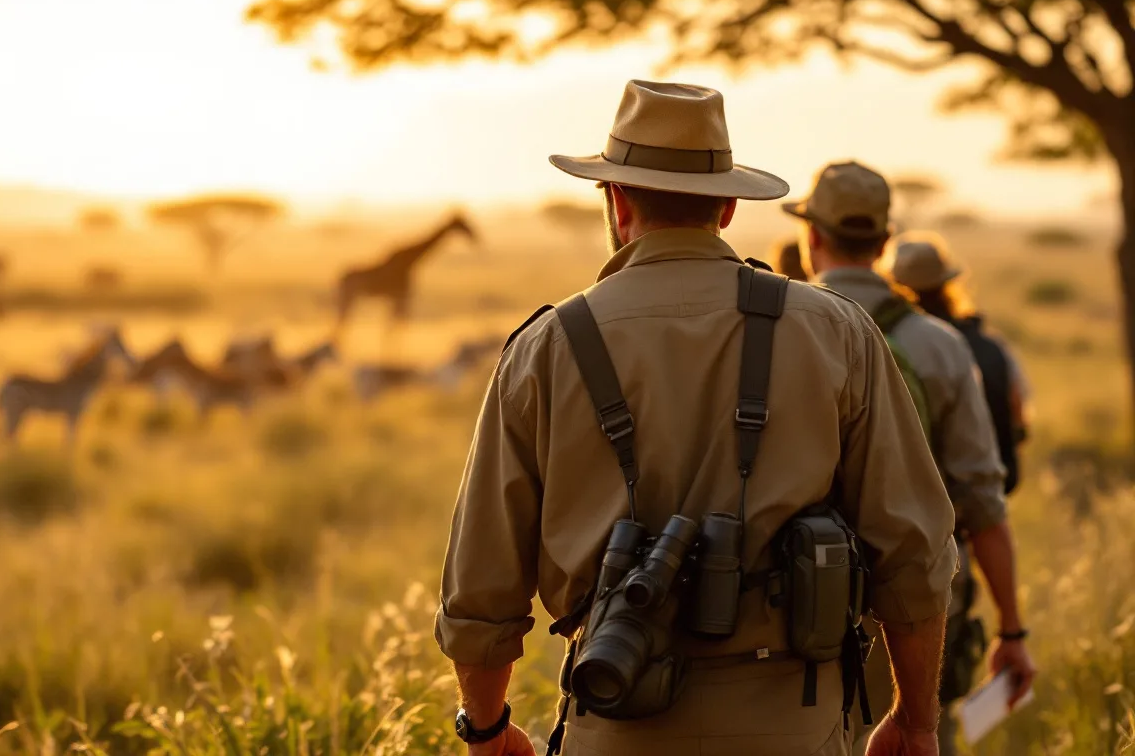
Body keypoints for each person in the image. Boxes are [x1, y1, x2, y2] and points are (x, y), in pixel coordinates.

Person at [435, 81, 956, 756]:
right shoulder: (837, 332)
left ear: (616, 200)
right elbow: (913, 554)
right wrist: (916, 721)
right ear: (730, 206)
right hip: (798, 726)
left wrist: (485, 728)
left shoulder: (548, 347)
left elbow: (480, 590)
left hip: (615, 721)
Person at [786, 162, 1037, 755]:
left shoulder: (772, 333)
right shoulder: (940, 345)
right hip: (919, 611)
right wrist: (1012, 630)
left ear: (811, 237)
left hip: (792, 604)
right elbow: (981, 500)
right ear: (883, 243)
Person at [888, 232, 1032, 495]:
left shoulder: (889, 342)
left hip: (916, 498)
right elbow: (1019, 415)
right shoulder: (990, 347)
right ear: (947, 285)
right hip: (984, 493)